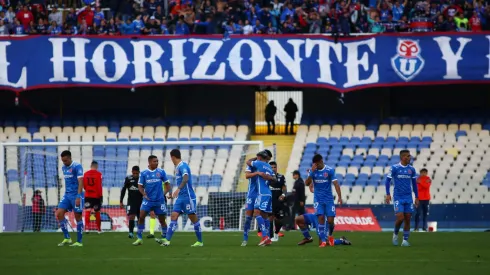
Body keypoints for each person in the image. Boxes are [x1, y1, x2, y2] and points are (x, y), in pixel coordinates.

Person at [160, 149, 203, 247]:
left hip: (188, 197)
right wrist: (174, 193)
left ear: (172, 157)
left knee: (193, 219)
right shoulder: (178, 167)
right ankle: (167, 240)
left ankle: (200, 241)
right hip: (180, 198)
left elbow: (186, 178)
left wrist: (178, 189)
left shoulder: (183, 166)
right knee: (174, 215)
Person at [304, 154, 342, 247]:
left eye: (317, 164)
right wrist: (311, 172)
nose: (316, 166)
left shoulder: (329, 170)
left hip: (329, 199)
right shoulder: (313, 171)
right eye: (315, 164)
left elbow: (336, 184)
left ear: (321, 161)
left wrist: (340, 197)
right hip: (318, 200)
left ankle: (330, 235)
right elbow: (306, 183)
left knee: (330, 221)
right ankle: (323, 241)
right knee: (320, 218)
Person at [132, 155, 171, 246]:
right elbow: (140, 186)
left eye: (157, 161)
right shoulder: (144, 173)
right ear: (149, 162)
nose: (156, 163)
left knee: (162, 220)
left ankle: (165, 238)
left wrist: (163, 194)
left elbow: (168, 185)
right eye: (154, 161)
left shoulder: (161, 172)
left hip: (159, 201)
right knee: (141, 217)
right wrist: (144, 194)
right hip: (148, 200)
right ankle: (139, 238)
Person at [385, 149, 419, 247]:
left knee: (408, 218)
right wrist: (388, 194)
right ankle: (395, 234)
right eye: (408, 156)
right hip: (398, 197)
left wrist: (417, 196)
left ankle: (405, 240)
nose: (410, 158)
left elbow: (414, 184)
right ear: (403, 157)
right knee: (400, 217)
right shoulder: (395, 168)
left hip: (408, 197)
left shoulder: (411, 169)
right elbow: (387, 181)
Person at [242, 149, 273, 246]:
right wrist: (257, 173)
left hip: (261, 192)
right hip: (252, 193)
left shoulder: (264, 165)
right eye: (267, 158)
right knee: (248, 217)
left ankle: (266, 237)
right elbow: (247, 176)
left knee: (263, 215)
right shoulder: (254, 164)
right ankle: (245, 239)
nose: (268, 160)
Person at [56, 150, 84, 247]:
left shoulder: (77, 166)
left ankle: (79, 241)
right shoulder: (64, 168)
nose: (64, 162)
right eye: (63, 161)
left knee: (78, 217)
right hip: (67, 195)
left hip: (76, 195)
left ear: (70, 158)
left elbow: (81, 181)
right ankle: (67, 238)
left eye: (66, 160)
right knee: (59, 213)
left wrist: (78, 196)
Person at [120, 166, 143, 239]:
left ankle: (139, 232)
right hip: (131, 201)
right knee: (131, 216)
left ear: (139, 172)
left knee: (141, 217)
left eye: (136, 173)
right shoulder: (128, 179)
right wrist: (121, 201)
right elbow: (123, 190)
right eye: (134, 173)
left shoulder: (142, 179)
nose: (135, 174)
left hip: (141, 201)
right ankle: (131, 232)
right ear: (132, 172)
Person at [268, 161, 287, 242]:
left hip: (279, 201)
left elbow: (284, 188)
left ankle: (276, 232)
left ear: (276, 168)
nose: (273, 169)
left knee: (280, 219)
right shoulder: (266, 177)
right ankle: (271, 236)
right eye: (271, 167)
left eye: (274, 167)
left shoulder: (281, 176)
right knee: (270, 218)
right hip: (269, 200)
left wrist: (283, 195)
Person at [83, 161, 103, 234]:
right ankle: (99, 229)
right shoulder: (99, 174)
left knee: (87, 211)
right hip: (96, 196)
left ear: (91, 166)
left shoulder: (85, 174)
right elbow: (99, 186)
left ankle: (87, 228)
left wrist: (88, 190)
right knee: (97, 212)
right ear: (96, 166)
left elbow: (84, 185)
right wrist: (101, 196)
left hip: (88, 195)